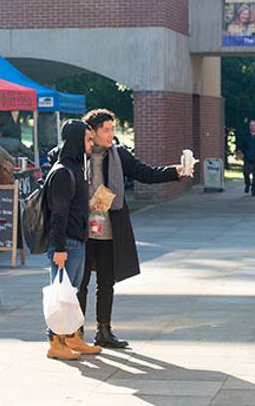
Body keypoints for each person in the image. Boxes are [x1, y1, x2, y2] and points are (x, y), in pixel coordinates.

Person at [78, 109, 185, 349]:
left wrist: (174, 171)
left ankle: (104, 331)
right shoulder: (77, 155)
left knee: (106, 281)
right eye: (106, 129)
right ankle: (76, 332)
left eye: (112, 129)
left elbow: (145, 173)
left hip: (109, 228)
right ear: (91, 132)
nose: (110, 134)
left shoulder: (119, 155)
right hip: (82, 231)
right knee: (80, 283)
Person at [44, 120, 99, 360]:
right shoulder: (63, 172)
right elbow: (58, 213)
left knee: (72, 293)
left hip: (76, 239)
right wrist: (59, 248)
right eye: (88, 139)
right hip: (66, 243)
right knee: (62, 294)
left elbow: (71, 206)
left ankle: (74, 337)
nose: (91, 144)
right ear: (77, 140)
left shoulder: (75, 168)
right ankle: (56, 342)